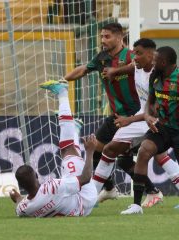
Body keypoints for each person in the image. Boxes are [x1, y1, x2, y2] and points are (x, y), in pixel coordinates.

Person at [93, 39, 179, 210]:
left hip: (156, 121)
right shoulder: (144, 69)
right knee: (129, 153)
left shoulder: (162, 73)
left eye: (138, 53)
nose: (134, 57)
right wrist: (115, 71)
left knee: (150, 154)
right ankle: (98, 198)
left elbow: (155, 107)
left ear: (152, 56)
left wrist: (133, 119)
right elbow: (133, 70)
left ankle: (93, 196)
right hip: (147, 119)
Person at [63, 22, 144, 202]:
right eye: (101, 36)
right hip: (117, 116)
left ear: (119, 37)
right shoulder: (101, 58)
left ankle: (99, 194)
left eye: (107, 36)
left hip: (135, 114)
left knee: (149, 153)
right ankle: (109, 188)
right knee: (104, 152)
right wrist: (63, 81)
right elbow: (84, 69)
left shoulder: (130, 55)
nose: (103, 40)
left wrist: (116, 71)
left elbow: (137, 65)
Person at [9, 80, 98, 217]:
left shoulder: (23, 210)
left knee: (68, 158)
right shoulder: (52, 187)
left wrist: (17, 198)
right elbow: (85, 178)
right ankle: (62, 92)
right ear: (37, 176)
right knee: (67, 150)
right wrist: (90, 152)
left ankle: (75, 128)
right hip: (85, 199)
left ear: (21, 186)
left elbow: (23, 202)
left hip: (75, 210)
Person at [121, 46, 179, 214]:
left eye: (155, 60)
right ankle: (136, 205)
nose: (152, 63)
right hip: (162, 127)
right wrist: (147, 115)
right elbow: (150, 101)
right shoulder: (156, 77)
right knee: (144, 151)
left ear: (164, 62)